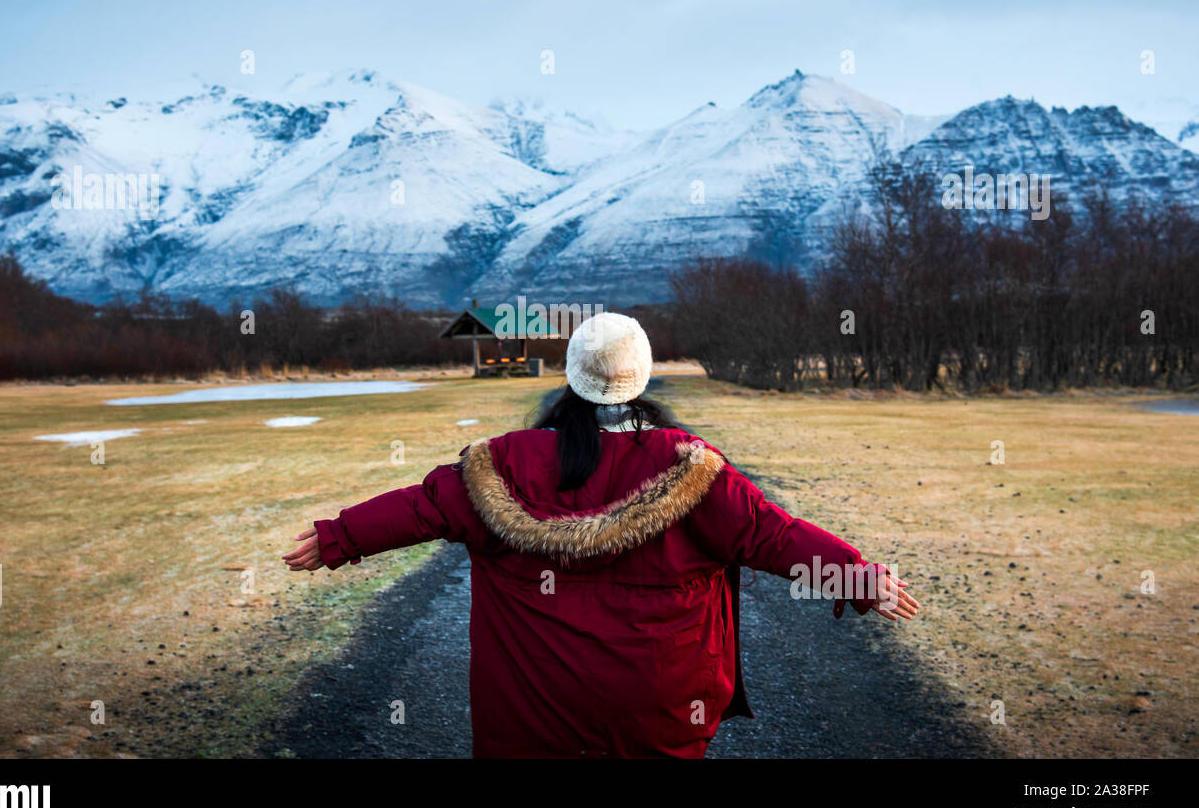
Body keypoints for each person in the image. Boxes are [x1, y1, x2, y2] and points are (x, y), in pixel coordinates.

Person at [282, 311, 919, 757]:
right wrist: (859, 579)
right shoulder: (693, 468)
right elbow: (774, 536)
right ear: (642, 376)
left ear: (571, 376)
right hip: (661, 710)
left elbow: (420, 507)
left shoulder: (502, 465)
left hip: (527, 715)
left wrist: (339, 538)